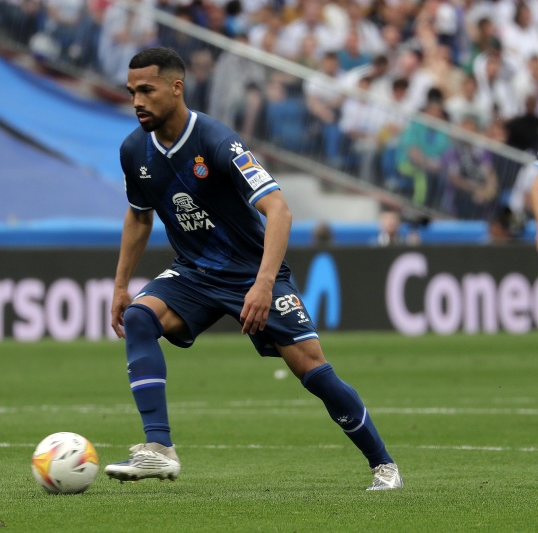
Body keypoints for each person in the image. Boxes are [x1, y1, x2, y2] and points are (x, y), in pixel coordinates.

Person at [105, 47, 403, 491]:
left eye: (146, 90)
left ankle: (384, 465)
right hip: (194, 273)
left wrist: (263, 285)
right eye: (132, 92)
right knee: (139, 318)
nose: (137, 101)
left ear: (176, 87)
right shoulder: (134, 150)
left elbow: (279, 210)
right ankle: (159, 449)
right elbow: (139, 216)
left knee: (312, 370)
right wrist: (120, 285)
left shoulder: (217, 141)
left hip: (252, 272)